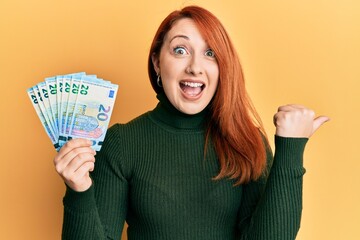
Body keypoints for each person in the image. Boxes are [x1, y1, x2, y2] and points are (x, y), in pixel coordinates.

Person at [54, 5, 329, 240]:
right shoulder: (122, 143)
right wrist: (79, 191)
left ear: (222, 67)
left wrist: (290, 151)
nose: (195, 66)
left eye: (210, 53)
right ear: (157, 63)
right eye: (180, 50)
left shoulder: (247, 141)